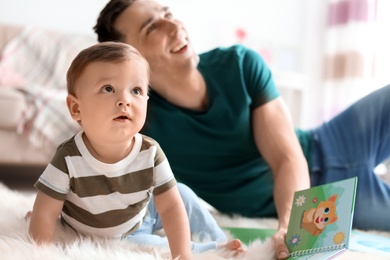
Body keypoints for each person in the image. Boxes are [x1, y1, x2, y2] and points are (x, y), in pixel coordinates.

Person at [94, 0, 390, 258]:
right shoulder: (142, 123)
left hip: (333, 142)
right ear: (130, 59)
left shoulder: (239, 64)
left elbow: (286, 156)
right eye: (151, 28)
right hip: (331, 198)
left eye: (167, 12)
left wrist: (290, 225)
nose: (172, 25)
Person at [28, 41, 244, 259]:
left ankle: (219, 240)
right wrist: (42, 243)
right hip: (120, 236)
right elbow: (46, 211)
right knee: (153, 247)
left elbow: (170, 208)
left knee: (182, 194)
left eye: (136, 90)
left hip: (141, 214)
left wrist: (182, 255)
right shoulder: (68, 157)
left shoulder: (150, 152)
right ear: (76, 108)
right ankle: (201, 250)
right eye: (108, 89)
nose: (125, 100)